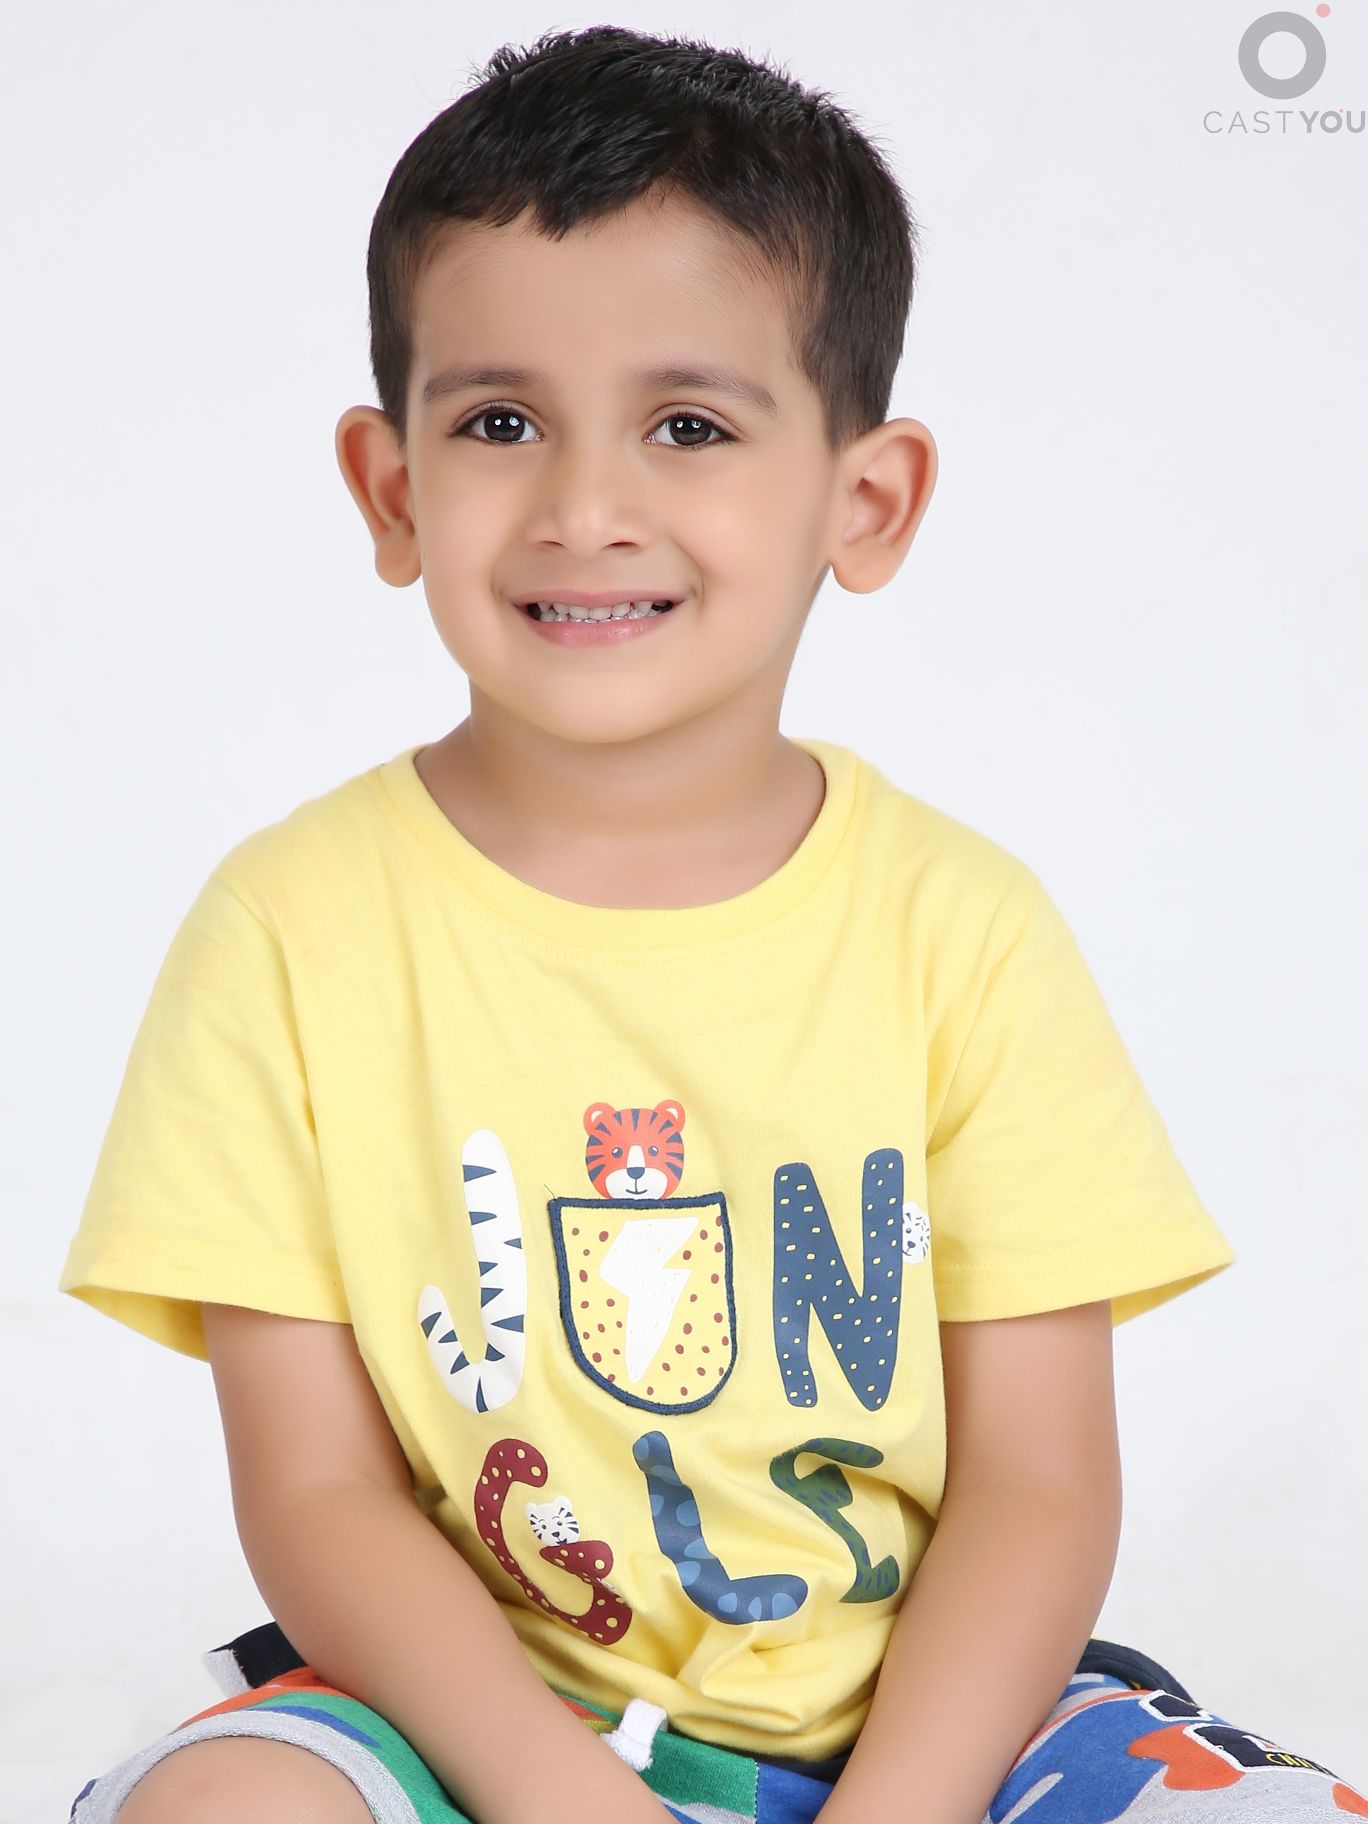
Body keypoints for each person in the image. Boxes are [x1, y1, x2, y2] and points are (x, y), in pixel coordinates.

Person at [59, 24, 1363, 1824]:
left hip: (934, 1726)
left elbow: (1041, 1484)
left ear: (863, 501)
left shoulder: (962, 931)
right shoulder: (286, 932)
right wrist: (564, 1801)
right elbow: (318, 1493)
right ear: (391, 488)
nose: (587, 509)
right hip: (483, 1724)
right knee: (224, 1812)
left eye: (688, 427)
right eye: (500, 423)